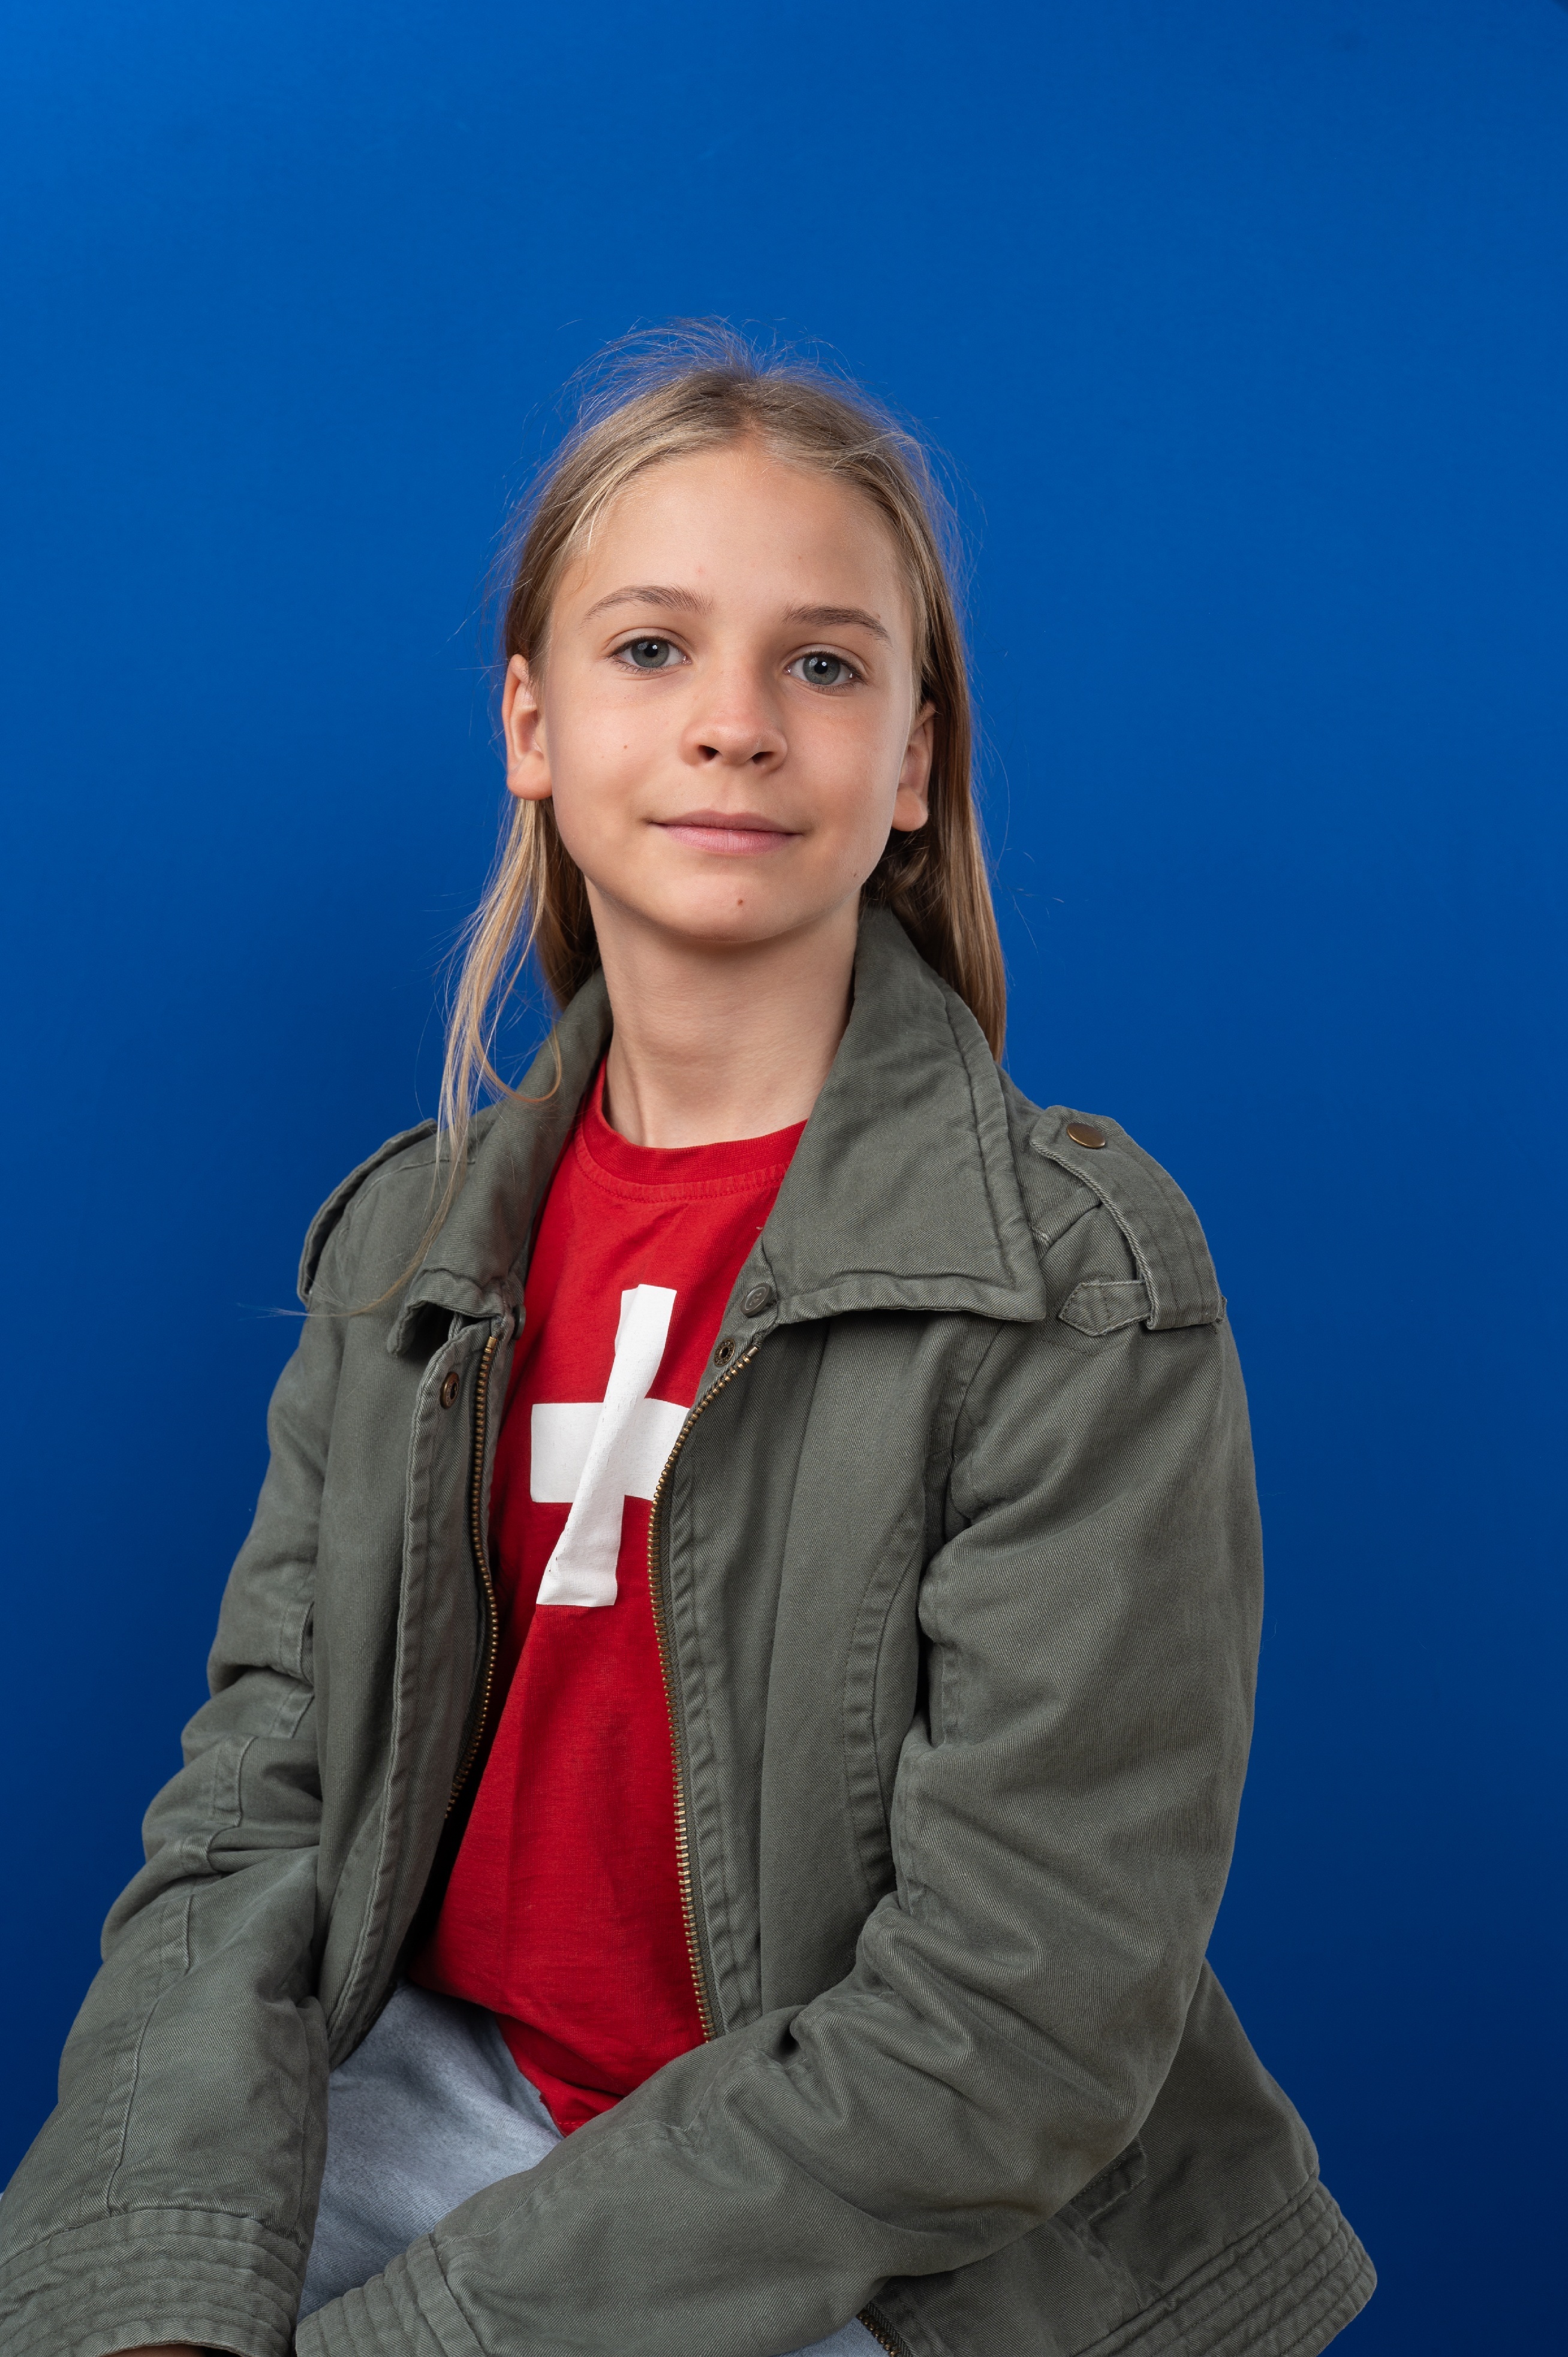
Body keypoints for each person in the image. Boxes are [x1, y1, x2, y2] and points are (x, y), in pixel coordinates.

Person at [0, 329, 1374, 2357]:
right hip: (450, 2088)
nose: (736, 724)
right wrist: (154, 2302)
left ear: (913, 763)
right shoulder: (404, 1253)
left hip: (872, 2211)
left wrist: (426, 2339)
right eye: (652, 649)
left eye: (823, 664)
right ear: (532, 724)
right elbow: (251, 1824)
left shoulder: (1069, 1278)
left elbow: (1015, 2018)